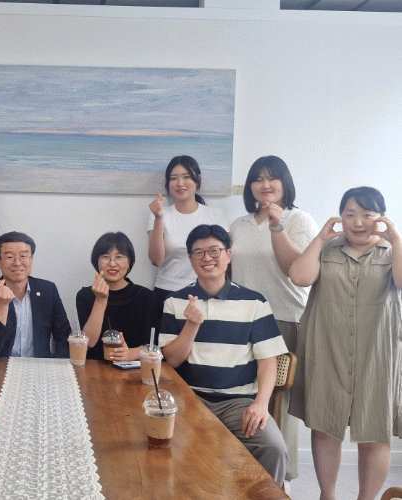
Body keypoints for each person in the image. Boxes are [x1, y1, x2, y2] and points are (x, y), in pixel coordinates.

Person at [289, 187, 402, 500]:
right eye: (350, 214)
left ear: (381, 218)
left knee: (375, 431)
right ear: (340, 217)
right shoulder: (327, 248)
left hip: (377, 353)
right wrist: (320, 238)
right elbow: (298, 277)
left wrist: (396, 240)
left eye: (367, 214)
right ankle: (327, 495)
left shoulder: (392, 250)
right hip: (328, 348)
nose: (358, 221)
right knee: (325, 425)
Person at [161, 224, 289, 486]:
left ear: (228, 255)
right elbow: (172, 360)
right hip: (189, 399)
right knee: (159, 446)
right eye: (199, 253)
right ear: (190, 260)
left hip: (238, 403)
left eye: (214, 251)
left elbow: (268, 359)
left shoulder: (254, 302)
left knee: (274, 448)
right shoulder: (174, 302)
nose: (207, 258)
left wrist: (261, 404)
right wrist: (191, 325)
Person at [229, 155, 318, 484]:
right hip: (242, 320)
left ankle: (281, 479)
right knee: (246, 394)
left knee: (279, 398)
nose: (264, 185)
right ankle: (246, 471)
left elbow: (296, 271)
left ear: (285, 183)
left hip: (283, 317)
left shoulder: (299, 219)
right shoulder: (239, 225)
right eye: (257, 178)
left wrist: (276, 225)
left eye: (272, 178)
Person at [148, 155, 228, 321]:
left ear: (198, 180)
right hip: (167, 291)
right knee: (166, 338)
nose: (180, 183)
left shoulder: (214, 214)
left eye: (186, 177)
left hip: (206, 292)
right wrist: (158, 218)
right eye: (174, 178)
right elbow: (156, 260)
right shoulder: (160, 214)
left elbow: (225, 259)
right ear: (168, 183)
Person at [0, 231, 71, 358]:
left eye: (23, 256)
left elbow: (64, 339)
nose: (17, 263)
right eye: (9, 257)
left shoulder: (48, 290)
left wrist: (57, 365)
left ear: (31, 259)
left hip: (40, 365)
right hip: (2, 367)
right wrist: (1, 306)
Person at [76, 232, 155, 361]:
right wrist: (100, 300)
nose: (112, 264)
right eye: (105, 257)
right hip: (95, 367)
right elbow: (89, 342)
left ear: (129, 261)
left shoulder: (145, 297)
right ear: (97, 261)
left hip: (133, 368)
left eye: (119, 257)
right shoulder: (85, 295)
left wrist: (129, 354)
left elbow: (150, 344)